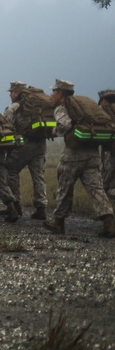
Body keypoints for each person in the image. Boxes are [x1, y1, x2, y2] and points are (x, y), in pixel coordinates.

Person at [43, 79, 115, 237]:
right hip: (93, 153)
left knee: (64, 188)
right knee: (97, 189)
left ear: (61, 93)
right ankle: (109, 223)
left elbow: (66, 125)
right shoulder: (85, 104)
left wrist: (56, 131)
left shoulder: (62, 108)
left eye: (54, 92)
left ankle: (58, 222)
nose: (51, 95)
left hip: (73, 154)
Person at [2, 82, 50, 220]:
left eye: (11, 92)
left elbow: (7, 128)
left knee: (11, 170)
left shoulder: (13, 108)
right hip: (40, 145)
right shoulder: (38, 107)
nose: (10, 94)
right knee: (38, 176)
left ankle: (15, 205)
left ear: (17, 92)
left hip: (23, 146)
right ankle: (41, 208)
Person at [101, 89, 115, 201]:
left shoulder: (105, 111)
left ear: (104, 100)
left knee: (108, 170)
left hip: (109, 147)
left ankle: (106, 194)